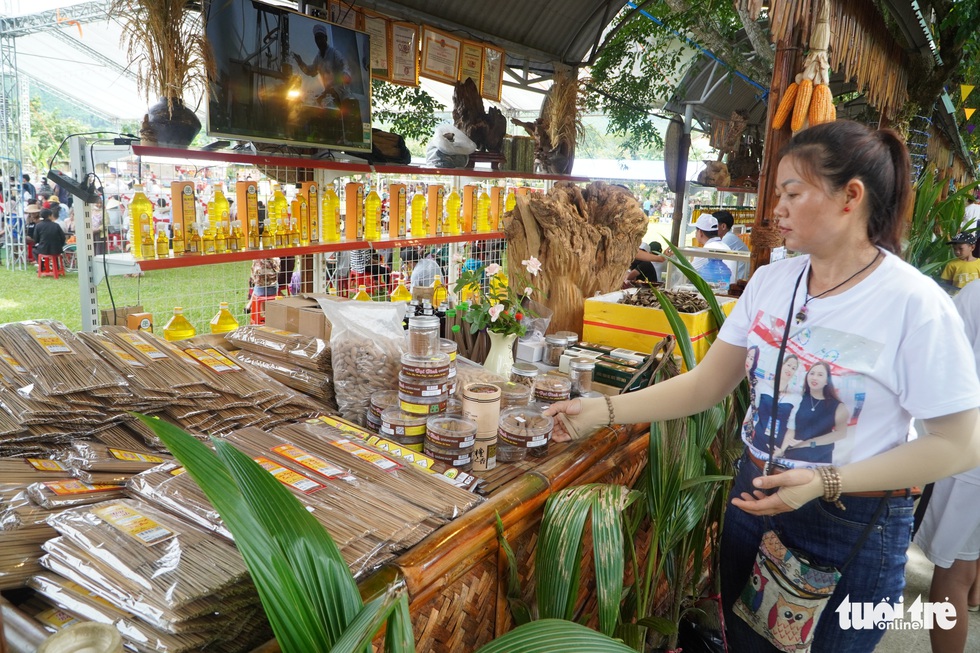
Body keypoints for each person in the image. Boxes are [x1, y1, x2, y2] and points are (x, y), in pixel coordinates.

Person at [545, 120, 980, 652]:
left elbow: (960, 444)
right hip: (755, 495)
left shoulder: (914, 303)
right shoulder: (774, 283)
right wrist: (602, 409)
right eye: (778, 194)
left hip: (850, 519)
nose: (776, 209)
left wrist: (825, 481)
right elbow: (707, 384)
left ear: (851, 196)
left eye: (793, 193)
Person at [914, 278, 980, 653]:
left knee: (951, 573)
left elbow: (940, 370)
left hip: (969, 455)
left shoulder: (973, 296)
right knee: (963, 561)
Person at [779, 360, 849, 463]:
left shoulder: (838, 406)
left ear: (827, 381)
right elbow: (789, 428)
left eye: (820, 375)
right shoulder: (798, 399)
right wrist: (781, 450)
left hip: (819, 461)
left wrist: (809, 443)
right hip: (793, 457)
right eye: (812, 373)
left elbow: (841, 433)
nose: (814, 377)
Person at [749, 352, 800, 454]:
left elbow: (791, 428)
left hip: (778, 448)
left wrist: (781, 450)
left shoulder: (796, 397)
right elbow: (753, 411)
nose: (790, 369)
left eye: (794, 368)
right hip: (757, 442)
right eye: (788, 365)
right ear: (781, 365)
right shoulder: (762, 386)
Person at [292, 23, 352, 107]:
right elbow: (311, 71)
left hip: (341, 95)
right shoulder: (318, 58)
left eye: (321, 38)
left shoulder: (334, 53)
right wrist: (300, 63)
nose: (319, 41)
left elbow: (345, 66)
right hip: (330, 96)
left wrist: (345, 76)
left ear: (326, 38)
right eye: (317, 38)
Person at [689, 213, 736, 285]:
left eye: (696, 230)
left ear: (700, 232)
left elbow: (689, 273)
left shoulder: (707, 250)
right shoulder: (725, 246)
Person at [715, 209, 750, 281]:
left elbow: (713, 256)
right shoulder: (727, 237)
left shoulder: (728, 238)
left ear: (723, 226)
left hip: (738, 280)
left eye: (714, 226)